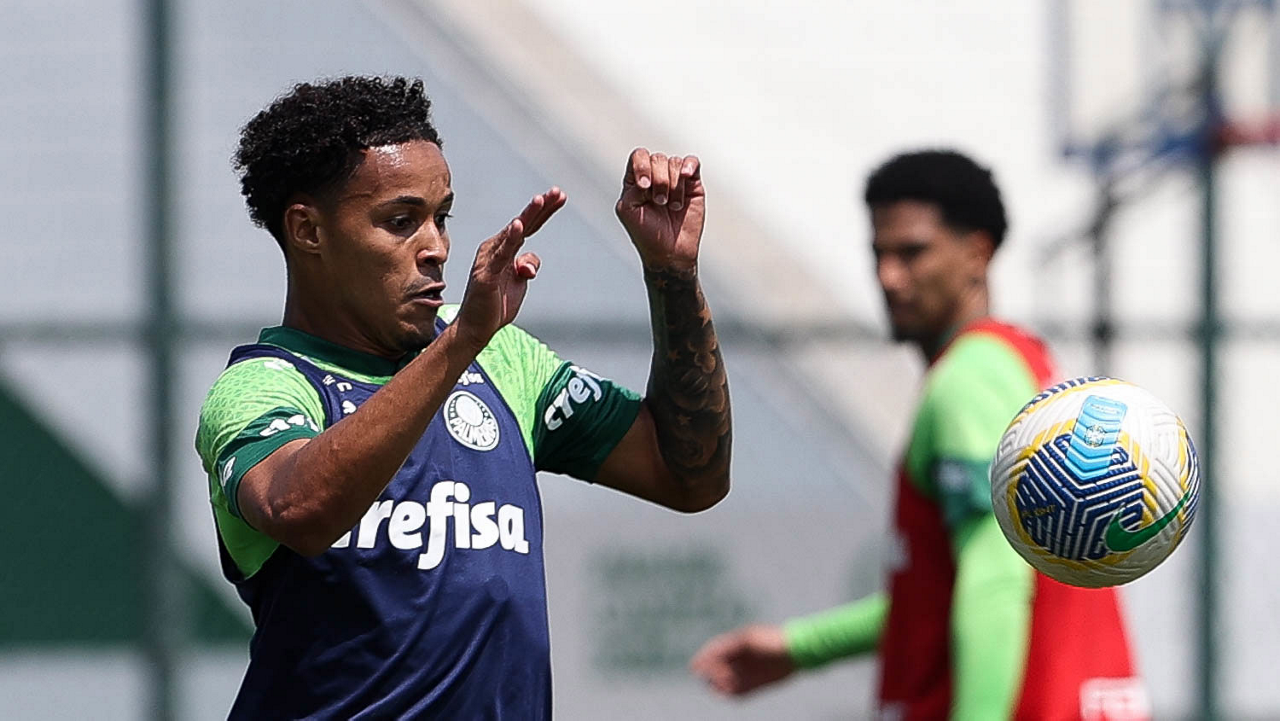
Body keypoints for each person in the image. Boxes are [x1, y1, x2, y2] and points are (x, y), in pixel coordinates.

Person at [194, 76, 731, 719]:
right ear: (309, 230)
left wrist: (672, 273)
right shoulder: (265, 384)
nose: (437, 248)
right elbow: (300, 509)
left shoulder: (500, 358)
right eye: (401, 222)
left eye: (441, 217)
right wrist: (462, 342)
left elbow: (687, 474)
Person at [690, 150, 1148, 720]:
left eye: (912, 253)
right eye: (878, 255)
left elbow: (994, 580)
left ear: (977, 253)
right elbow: (942, 596)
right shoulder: (1021, 365)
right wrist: (800, 647)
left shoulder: (967, 381)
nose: (888, 277)